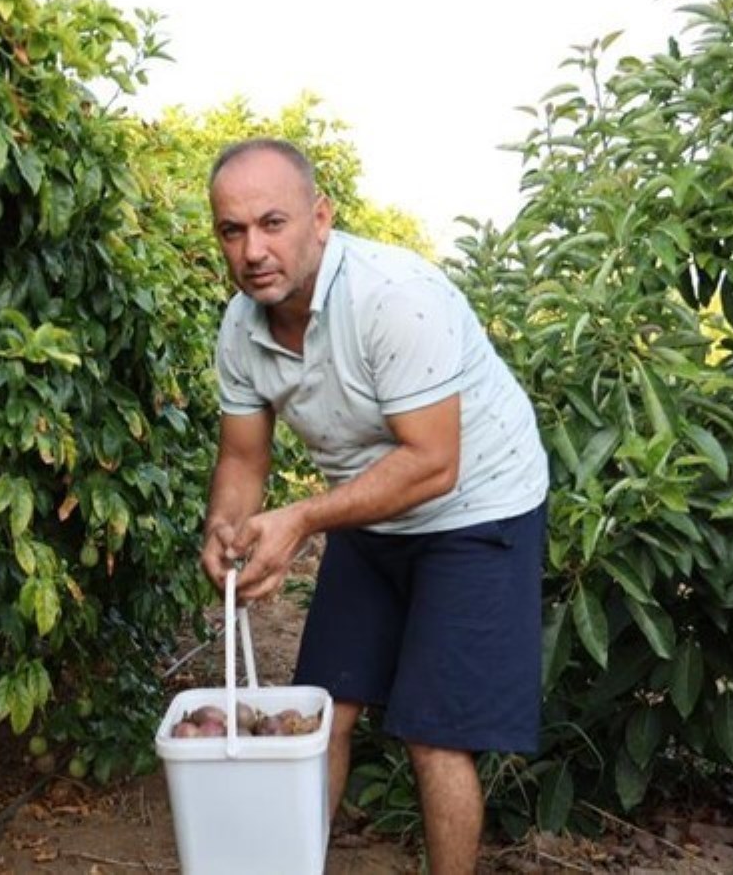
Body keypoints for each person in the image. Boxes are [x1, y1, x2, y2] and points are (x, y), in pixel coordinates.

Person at [199, 138, 548, 874]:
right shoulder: (241, 328)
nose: (253, 249)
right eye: (233, 231)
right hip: (370, 503)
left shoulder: (393, 297)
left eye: (273, 223)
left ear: (320, 217)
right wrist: (226, 531)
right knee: (320, 712)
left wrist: (299, 519)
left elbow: (433, 462)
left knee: (436, 734)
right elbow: (242, 457)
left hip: (476, 506)